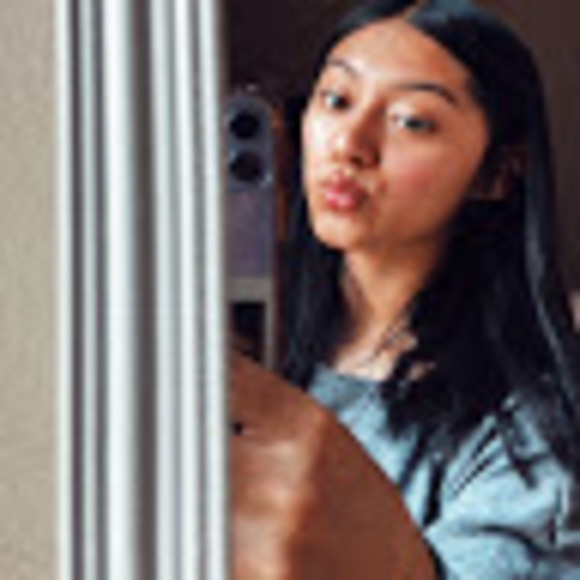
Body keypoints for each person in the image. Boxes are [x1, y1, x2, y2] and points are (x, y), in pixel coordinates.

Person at [231, 0, 580, 577]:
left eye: (411, 120)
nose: (349, 143)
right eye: (336, 100)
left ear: (496, 173)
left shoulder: (528, 438)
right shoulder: (246, 352)